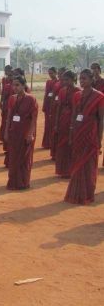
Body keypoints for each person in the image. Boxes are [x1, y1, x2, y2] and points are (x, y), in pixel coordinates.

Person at [64, 69, 104, 205]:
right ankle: (75, 193)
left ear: (92, 79)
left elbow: (101, 120)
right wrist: (71, 133)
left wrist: (99, 139)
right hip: (78, 133)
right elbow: (74, 116)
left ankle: (87, 193)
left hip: (91, 133)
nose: (82, 81)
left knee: (89, 164)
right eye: (80, 79)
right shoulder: (77, 95)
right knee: (77, 163)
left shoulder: (99, 96)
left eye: (85, 78)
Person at [4, 76, 38, 190]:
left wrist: (30, 134)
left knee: (24, 158)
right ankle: (13, 181)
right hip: (14, 131)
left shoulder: (31, 99)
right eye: (13, 85)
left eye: (18, 85)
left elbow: (34, 118)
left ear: (24, 85)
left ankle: (23, 182)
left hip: (25, 132)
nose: (15, 87)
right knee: (13, 158)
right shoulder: (12, 99)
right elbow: (9, 117)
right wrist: (6, 132)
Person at [54, 71, 80, 178]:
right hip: (63, 120)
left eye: (67, 80)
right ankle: (62, 170)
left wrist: (74, 124)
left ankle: (71, 170)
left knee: (71, 144)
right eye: (63, 80)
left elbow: (78, 109)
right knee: (62, 145)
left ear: (73, 79)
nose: (65, 82)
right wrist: (56, 123)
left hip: (73, 119)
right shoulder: (61, 91)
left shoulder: (78, 91)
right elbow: (59, 107)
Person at [49, 67, 66, 159]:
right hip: (56, 109)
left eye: (61, 73)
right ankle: (54, 153)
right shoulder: (57, 83)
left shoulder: (67, 85)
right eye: (59, 73)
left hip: (64, 112)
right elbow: (53, 96)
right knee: (54, 131)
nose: (59, 75)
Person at [41, 67, 58, 149]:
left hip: (54, 105)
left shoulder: (59, 82)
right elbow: (46, 93)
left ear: (56, 72)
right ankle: (46, 143)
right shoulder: (48, 82)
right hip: (48, 105)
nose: (50, 75)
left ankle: (52, 143)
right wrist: (44, 105)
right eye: (49, 73)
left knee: (53, 124)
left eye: (52, 73)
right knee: (47, 125)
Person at [0, 65, 13, 143]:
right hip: (6, 101)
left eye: (7, 70)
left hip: (12, 101)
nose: (6, 72)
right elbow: (3, 91)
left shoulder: (14, 80)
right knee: (4, 119)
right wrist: (1, 101)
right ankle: (3, 136)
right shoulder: (4, 80)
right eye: (5, 70)